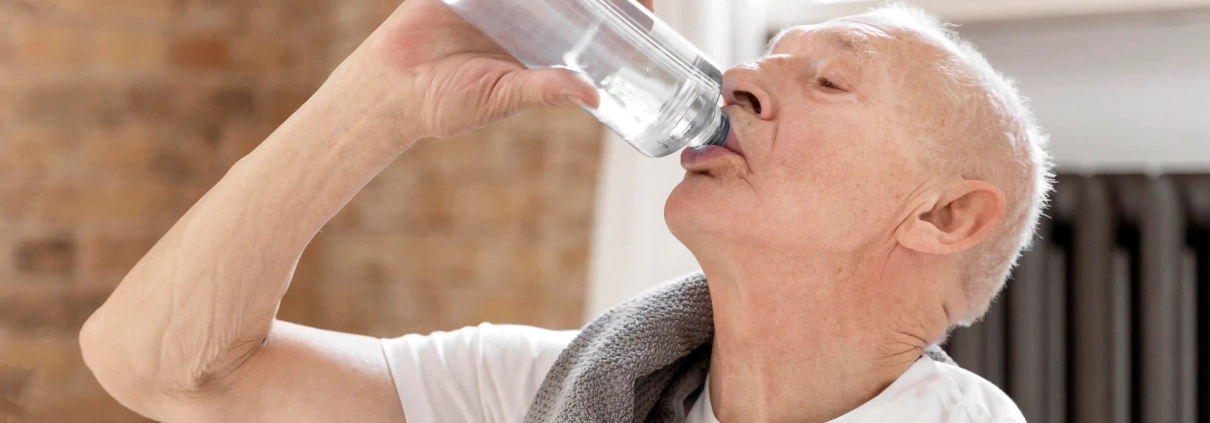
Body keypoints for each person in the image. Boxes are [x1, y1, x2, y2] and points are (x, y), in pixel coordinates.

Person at [79, 0, 1050, 421]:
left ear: (945, 217)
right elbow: (165, 370)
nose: (742, 78)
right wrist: (378, 96)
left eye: (829, 82)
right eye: (764, 53)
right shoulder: (560, 392)